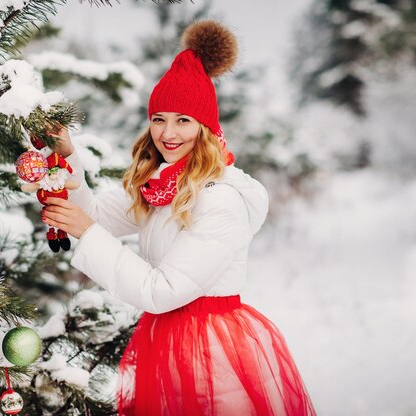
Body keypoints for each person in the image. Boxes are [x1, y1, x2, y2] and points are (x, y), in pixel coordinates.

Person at [42, 20, 316, 416]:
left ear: (206, 128)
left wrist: (87, 231)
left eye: (183, 120)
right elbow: (95, 216)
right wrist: (68, 155)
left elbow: (162, 290)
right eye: (159, 119)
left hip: (212, 352)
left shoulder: (220, 200)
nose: (167, 133)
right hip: (166, 340)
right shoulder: (163, 186)